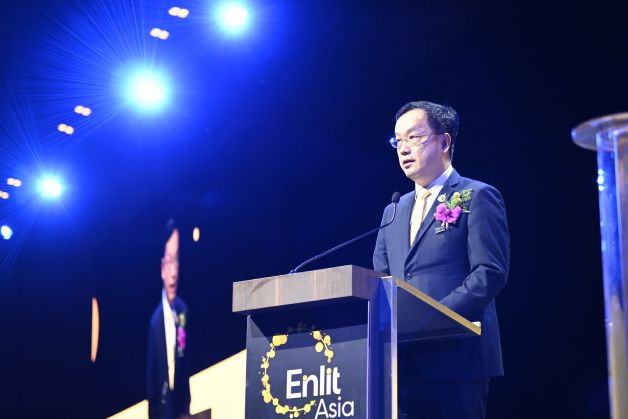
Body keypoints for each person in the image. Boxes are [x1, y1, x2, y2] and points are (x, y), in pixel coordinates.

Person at [373, 101, 510, 419]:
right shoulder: (393, 211)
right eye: (398, 140)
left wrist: (435, 317)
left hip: (457, 358)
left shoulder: (477, 195)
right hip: (401, 367)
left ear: (444, 141)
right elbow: (381, 282)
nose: (403, 149)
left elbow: (490, 272)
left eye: (413, 137)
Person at [146, 221, 191, 419]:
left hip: (181, 406)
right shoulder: (155, 322)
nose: (174, 273)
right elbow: (151, 375)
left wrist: (186, 406)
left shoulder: (182, 311)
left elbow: (185, 356)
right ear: (162, 268)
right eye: (169, 262)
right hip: (162, 409)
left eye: (177, 262)